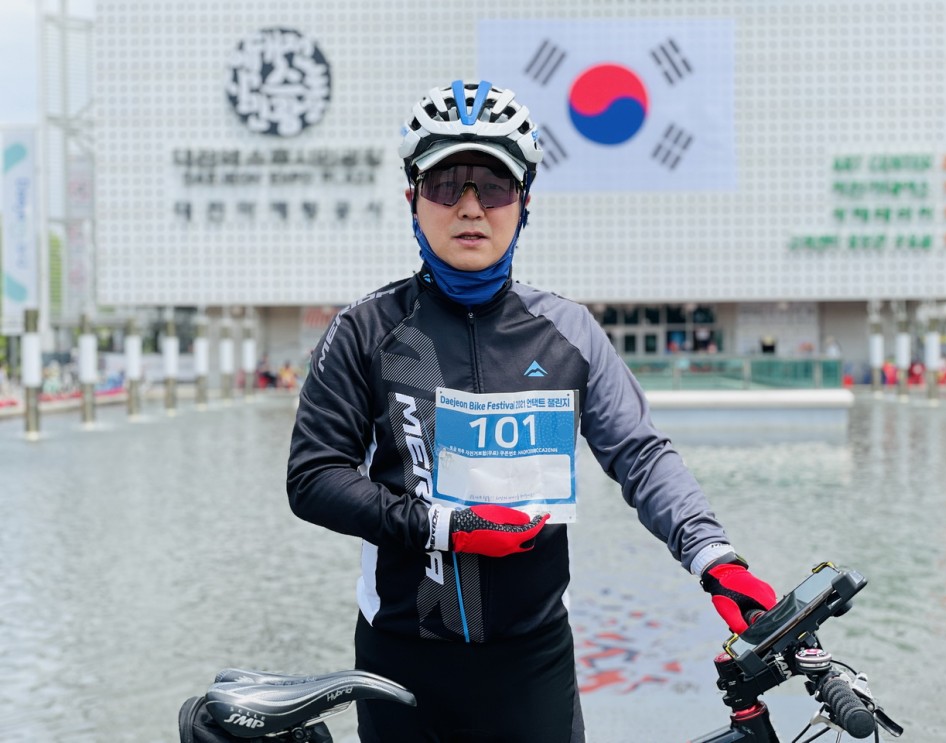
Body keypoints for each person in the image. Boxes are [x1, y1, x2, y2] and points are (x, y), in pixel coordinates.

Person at [286, 79, 776, 743]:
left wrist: (714, 557)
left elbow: (640, 454)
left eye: (493, 186)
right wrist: (444, 526)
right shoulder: (364, 331)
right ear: (411, 200)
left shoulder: (568, 331)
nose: (470, 207)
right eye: (445, 184)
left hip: (532, 663)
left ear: (524, 203)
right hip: (401, 658)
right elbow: (313, 477)